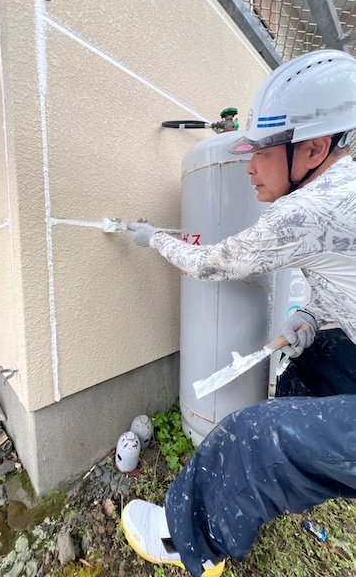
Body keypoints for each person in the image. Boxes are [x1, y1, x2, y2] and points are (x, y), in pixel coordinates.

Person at [121, 49, 356, 577]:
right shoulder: (342, 190)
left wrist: (154, 236)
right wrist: (311, 319)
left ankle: (187, 539)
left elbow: (210, 263)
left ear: (314, 148)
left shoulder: (307, 208)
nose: (248, 165)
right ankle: (289, 480)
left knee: (253, 437)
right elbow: (340, 275)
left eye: (262, 151)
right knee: (312, 366)